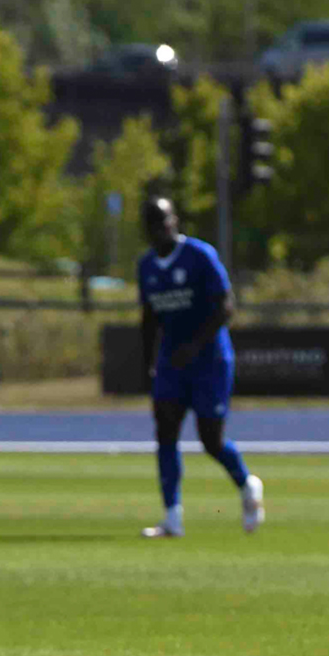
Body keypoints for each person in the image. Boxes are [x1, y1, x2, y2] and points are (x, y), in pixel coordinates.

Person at [135, 196, 264, 538]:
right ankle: (172, 516)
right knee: (165, 431)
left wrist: (195, 346)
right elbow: (149, 318)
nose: (163, 229)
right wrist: (149, 363)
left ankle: (247, 484)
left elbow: (226, 307)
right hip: (171, 363)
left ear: (174, 221)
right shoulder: (146, 266)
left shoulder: (199, 255)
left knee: (211, 440)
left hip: (209, 360)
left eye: (166, 221)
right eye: (155, 224)